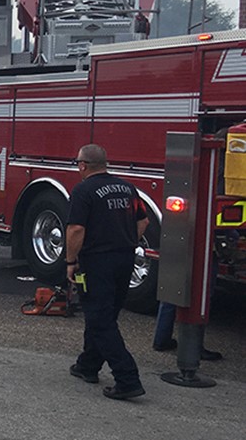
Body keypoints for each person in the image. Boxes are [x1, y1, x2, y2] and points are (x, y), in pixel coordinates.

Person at [65, 144, 149, 400]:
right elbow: (143, 222)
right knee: (104, 314)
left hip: (97, 262)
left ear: (82, 165)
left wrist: (70, 261)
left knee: (100, 319)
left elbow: (76, 229)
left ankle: (127, 378)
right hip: (125, 260)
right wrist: (123, 241)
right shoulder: (127, 187)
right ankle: (87, 365)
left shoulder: (83, 190)